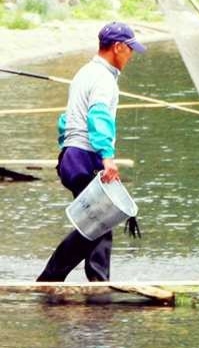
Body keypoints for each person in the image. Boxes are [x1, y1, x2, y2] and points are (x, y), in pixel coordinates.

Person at [37, 21, 146, 282]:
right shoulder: (103, 80)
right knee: (98, 222)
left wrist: (68, 148)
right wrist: (106, 157)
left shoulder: (84, 73)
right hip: (85, 157)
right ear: (118, 47)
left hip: (71, 157)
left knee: (99, 223)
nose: (131, 55)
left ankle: (95, 283)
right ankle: (54, 280)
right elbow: (98, 117)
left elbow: (65, 121)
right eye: (129, 49)